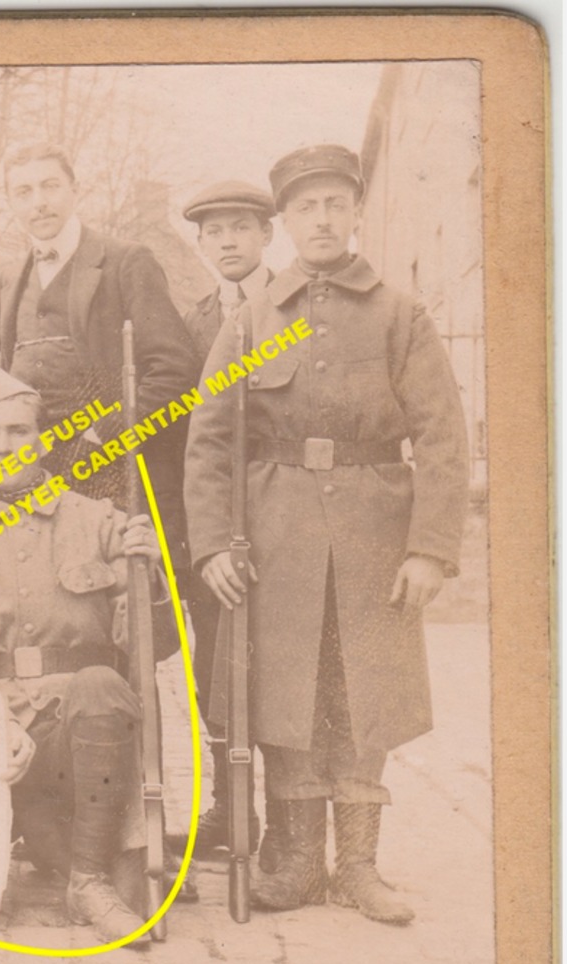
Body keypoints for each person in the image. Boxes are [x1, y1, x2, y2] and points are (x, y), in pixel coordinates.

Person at [185, 145, 469, 924]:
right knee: (286, 694)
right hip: (273, 539)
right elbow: (208, 439)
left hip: (377, 535)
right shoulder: (250, 320)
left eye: (334, 205)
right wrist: (211, 544)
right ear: (287, 222)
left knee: (363, 693)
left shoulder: (398, 314)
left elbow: (444, 436)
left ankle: (359, 868)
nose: (321, 219)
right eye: (306, 207)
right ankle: (299, 863)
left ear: (353, 215)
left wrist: (430, 549)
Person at [0, 368, 176, 947]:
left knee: (100, 682)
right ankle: (66, 860)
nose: (5, 446)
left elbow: (153, 647)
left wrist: (151, 579)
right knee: (28, 856)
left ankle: (89, 880)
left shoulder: (99, 523)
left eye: (18, 431)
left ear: (42, 439)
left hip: (87, 744)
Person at [0, 142, 196, 535]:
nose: (39, 203)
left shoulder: (126, 261)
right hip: (32, 471)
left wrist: (109, 431)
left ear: (74, 190)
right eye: (23, 192)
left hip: (110, 467)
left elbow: (176, 369)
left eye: (50, 186)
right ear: (11, 202)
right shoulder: (11, 277)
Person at [166, 180, 278, 869]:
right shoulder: (193, 322)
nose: (229, 241)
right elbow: (192, 437)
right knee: (215, 666)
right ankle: (233, 813)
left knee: (285, 667)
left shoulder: (295, 303)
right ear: (202, 246)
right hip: (212, 530)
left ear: (268, 234)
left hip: (286, 512)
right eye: (215, 232)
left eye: (241, 227)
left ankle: (295, 826)